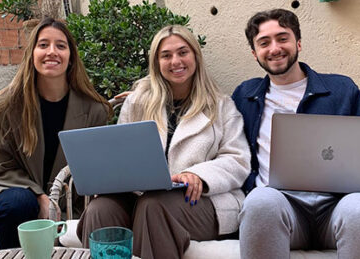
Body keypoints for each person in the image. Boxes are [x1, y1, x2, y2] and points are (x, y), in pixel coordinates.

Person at [232, 9, 360, 259]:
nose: (275, 48)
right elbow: (229, 149)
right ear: (255, 54)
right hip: (280, 206)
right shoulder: (245, 95)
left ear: (298, 42)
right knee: (259, 202)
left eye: (282, 38)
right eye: (264, 43)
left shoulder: (341, 89)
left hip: (339, 205)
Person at [76, 25, 250, 259]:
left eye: (183, 52)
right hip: (140, 197)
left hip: (200, 202)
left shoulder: (221, 105)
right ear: (156, 63)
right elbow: (120, 154)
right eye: (166, 55)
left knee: (153, 205)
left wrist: (198, 175)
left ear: (195, 56)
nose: (175, 61)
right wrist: (108, 182)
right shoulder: (137, 103)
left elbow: (238, 160)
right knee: (100, 209)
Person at [0, 17, 112, 249]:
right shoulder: (7, 107)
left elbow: (96, 169)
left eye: (60, 45)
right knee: (15, 202)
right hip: (20, 192)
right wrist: (39, 196)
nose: (52, 52)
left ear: (70, 57)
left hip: (72, 200)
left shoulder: (94, 110)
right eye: (43, 44)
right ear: (32, 54)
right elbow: (6, 168)